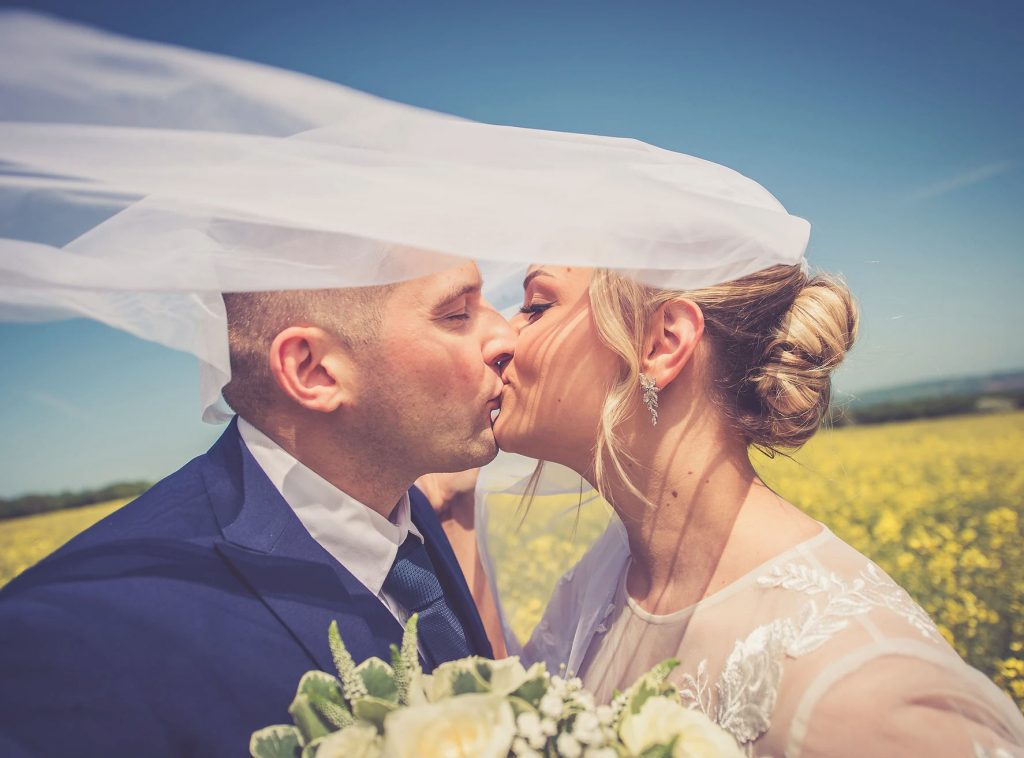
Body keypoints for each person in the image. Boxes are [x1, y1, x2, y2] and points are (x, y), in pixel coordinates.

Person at [473, 262, 1024, 756]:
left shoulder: (862, 698)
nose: (500, 336)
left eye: (536, 307)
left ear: (662, 344)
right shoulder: (606, 576)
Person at [0, 262, 512, 756]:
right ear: (312, 370)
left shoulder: (407, 515)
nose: (506, 336)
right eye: (455, 314)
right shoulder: (75, 634)